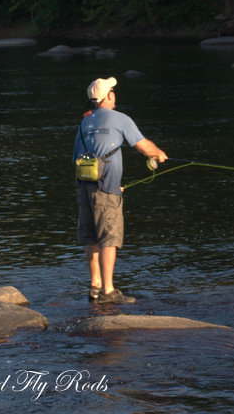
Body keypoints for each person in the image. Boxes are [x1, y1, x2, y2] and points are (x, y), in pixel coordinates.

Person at [73, 77, 167, 304]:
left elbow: (76, 157)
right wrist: (159, 155)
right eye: (113, 90)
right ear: (109, 96)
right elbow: (144, 146)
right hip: (106, 188)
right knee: (108, 237)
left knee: (91, 238)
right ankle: (108, 291)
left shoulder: (84, 123)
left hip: (84, 186)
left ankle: (94, 286)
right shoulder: (120, 119)